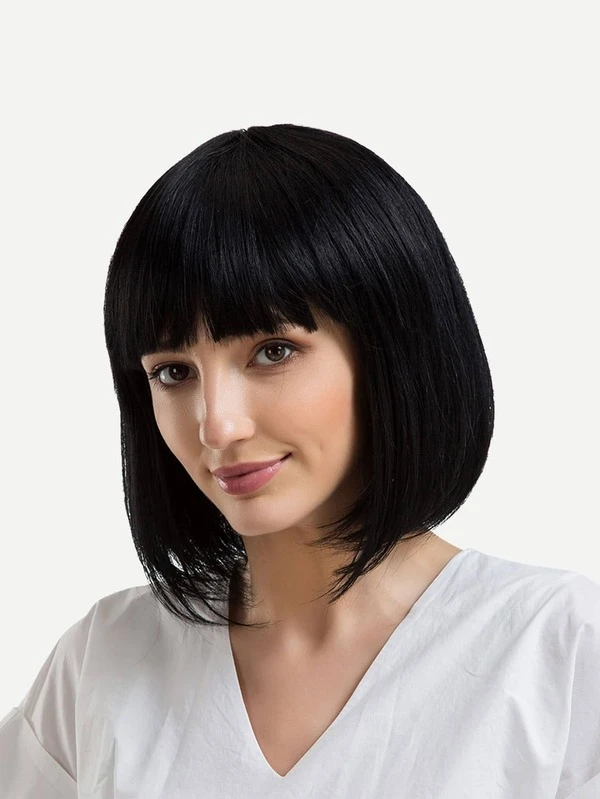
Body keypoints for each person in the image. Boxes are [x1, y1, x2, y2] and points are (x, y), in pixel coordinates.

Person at [0, 123, 598, 798]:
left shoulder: (559, 648)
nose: (217, 424)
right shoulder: (104, 660)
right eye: (173, 371)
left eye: (272, 352)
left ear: (393, 351)